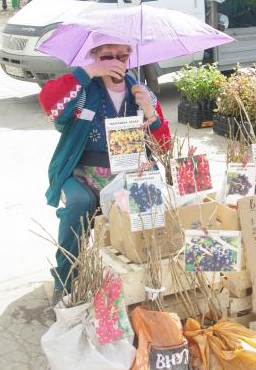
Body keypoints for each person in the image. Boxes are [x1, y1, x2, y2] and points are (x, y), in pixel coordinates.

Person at [38, 43, 171, 304]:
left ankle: (143, 283)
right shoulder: (85, 90)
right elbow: (50, 103)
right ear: (95, 56)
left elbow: (164, 146)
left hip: (127, 173)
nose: (115, 62)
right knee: (79, 204)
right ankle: (65, 280)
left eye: (121, 55)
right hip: (81, 172)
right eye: (106, 56)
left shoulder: (141, 92)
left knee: (152, 204)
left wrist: (150, 113)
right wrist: (88, 71)